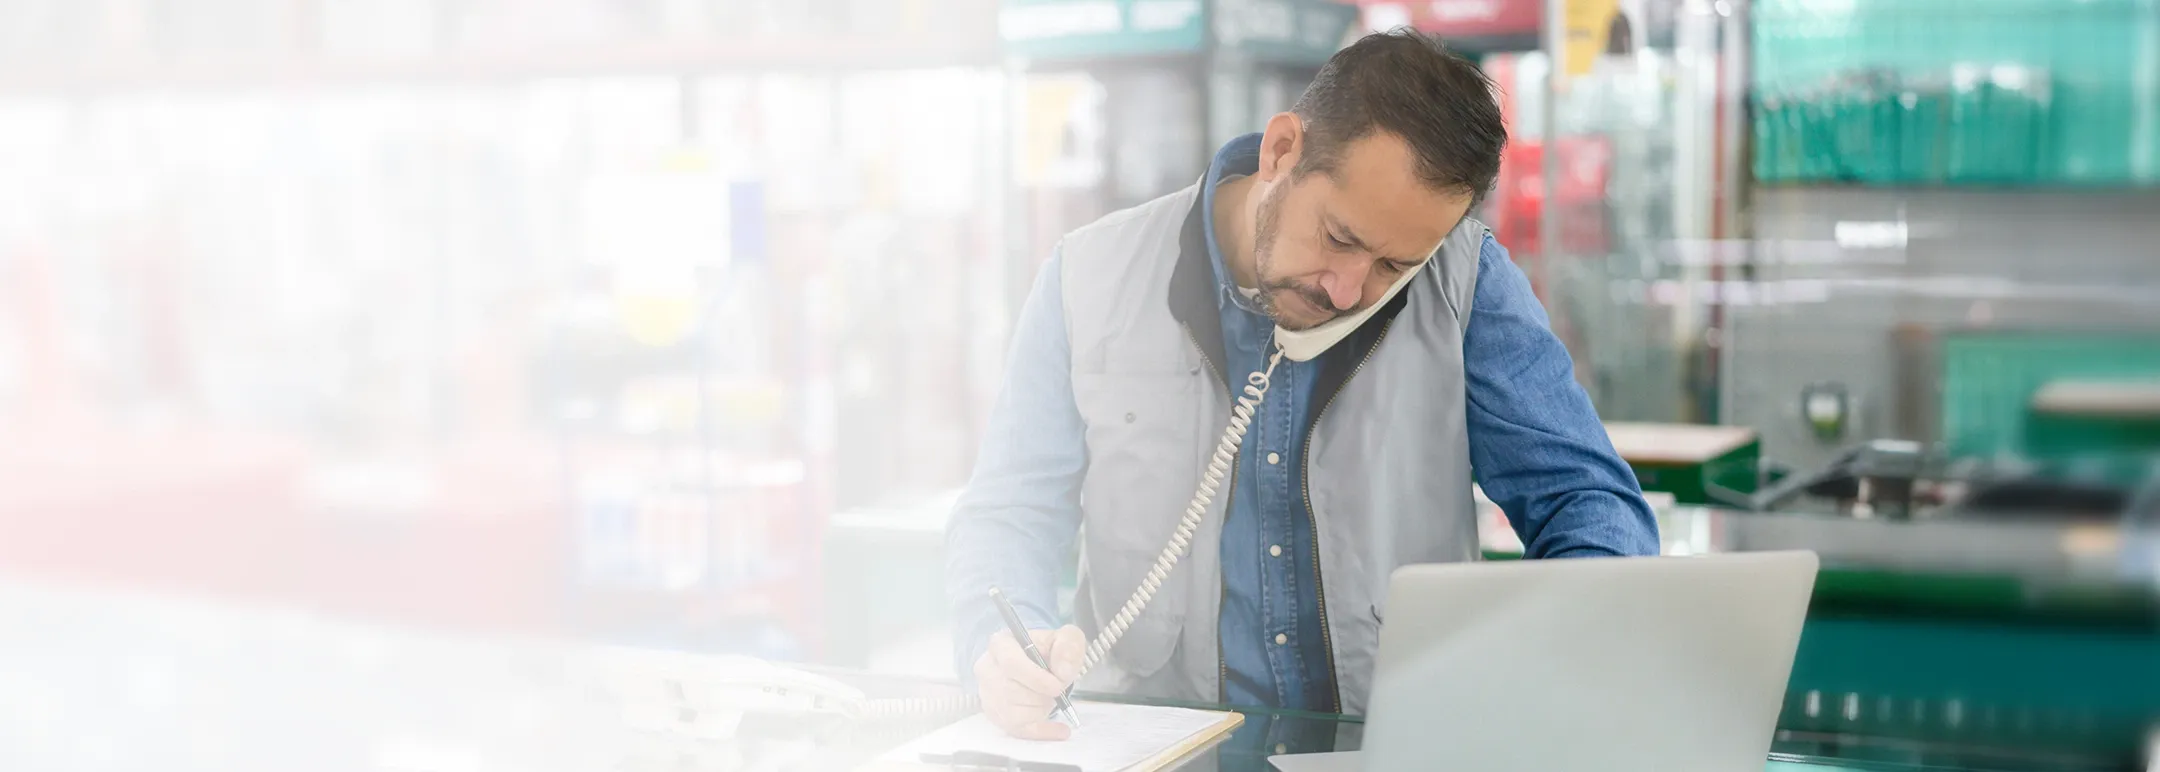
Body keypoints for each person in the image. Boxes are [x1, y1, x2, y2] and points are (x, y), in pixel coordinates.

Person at [945, 29, 1660, 740]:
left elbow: (1588, 500)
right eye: (1340, 238)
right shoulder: (1087, 276)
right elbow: (1010, 512)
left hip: (1394, 745)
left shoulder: (1467, 281)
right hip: (1156, 749)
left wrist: (1560, 655)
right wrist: (1002, 647)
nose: (1348, 291)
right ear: (1281, 150)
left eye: (1395, 266)